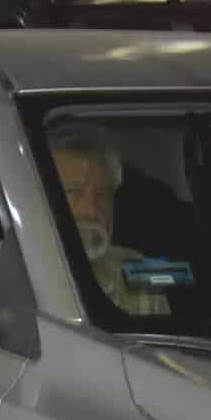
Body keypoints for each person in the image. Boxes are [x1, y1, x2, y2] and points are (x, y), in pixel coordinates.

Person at [47, 122, 172, 318]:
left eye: (102, 194)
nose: (91, 211)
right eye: (73, 192)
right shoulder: (5, 270)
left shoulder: (138, 268)